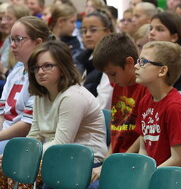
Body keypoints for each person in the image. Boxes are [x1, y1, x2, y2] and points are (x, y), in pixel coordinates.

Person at [27, 41, 107, 175]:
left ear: (63, 68)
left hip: (86, 162)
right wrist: (22, 151)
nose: (40, 72)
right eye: (36, 67)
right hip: (59, 158)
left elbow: (60, 144)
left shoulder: (72, 97)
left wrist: (26, 154)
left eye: (47, 66)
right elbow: (35, 134)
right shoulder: (41, 94)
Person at [133, 41, 181, 188]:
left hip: (177, 180)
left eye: (143, 62)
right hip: (155, 176)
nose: (136, 66)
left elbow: (178, 159)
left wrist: (149, 176)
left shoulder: (174, 107)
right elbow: (143, 148)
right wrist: (141, 173)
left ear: (162, 71)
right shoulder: (145, 101)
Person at [89, 33, 149, 183]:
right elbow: (116, 135)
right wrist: (106, 163)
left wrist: (114, 164)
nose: (110, 80)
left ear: (129, 63)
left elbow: (144, 136)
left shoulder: (146, 88)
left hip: (133, 163)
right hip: (116, 160)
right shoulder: (118, 85)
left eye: (113, 74)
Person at [0, 17, 51, 154]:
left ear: (38, 43)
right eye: (12, 39)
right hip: (5, 136)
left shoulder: (43, 77)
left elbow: (27, 125)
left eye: (19, 39)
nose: (12, 45)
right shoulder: (15, 72)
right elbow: (2, 113)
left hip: (22, 140)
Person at [148, 12, 181, 102]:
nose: (152, 33)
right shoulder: (151, 59)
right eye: (151, 28)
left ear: (174, 37)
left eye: (159, 29)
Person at [77, 10, 114, 102]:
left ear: (107, 32)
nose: (87, 35)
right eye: (84, 31)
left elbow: (104, 101)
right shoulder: (80, 59)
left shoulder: (110, 60)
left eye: (93, 30)